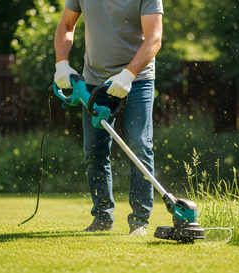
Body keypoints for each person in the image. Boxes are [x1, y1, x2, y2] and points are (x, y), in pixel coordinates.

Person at [53, 0, 163, 235]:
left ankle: (140, 222)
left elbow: (154, 37)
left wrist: (128, 75)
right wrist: (61, 63)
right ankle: (102, 217)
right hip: (93, 81)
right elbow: (66, 25)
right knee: (95, 151)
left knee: (139, 146)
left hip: (137, 80)